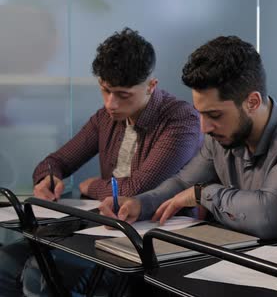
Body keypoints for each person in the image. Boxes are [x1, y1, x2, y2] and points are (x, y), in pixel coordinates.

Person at [0, 27, 202, 296]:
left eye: (123, 95)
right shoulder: (106, 118)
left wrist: (91, 186)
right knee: (5, 262)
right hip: (102, 224)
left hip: (151, 237)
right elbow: (55, 161)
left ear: (151, 86)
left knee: (41, 272)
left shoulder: (180, 120)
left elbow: (136, 188)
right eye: (105, 90)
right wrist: (48, 179)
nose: (111, 103)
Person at [100, 35, 277, 240]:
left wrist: (203, 194)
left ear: (252, 102)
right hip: (230, 262)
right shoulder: (221, 136)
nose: (204, 127)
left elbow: (271, 216)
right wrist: (139, 204)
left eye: (214, 114)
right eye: (201, 113)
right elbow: (182, 183)